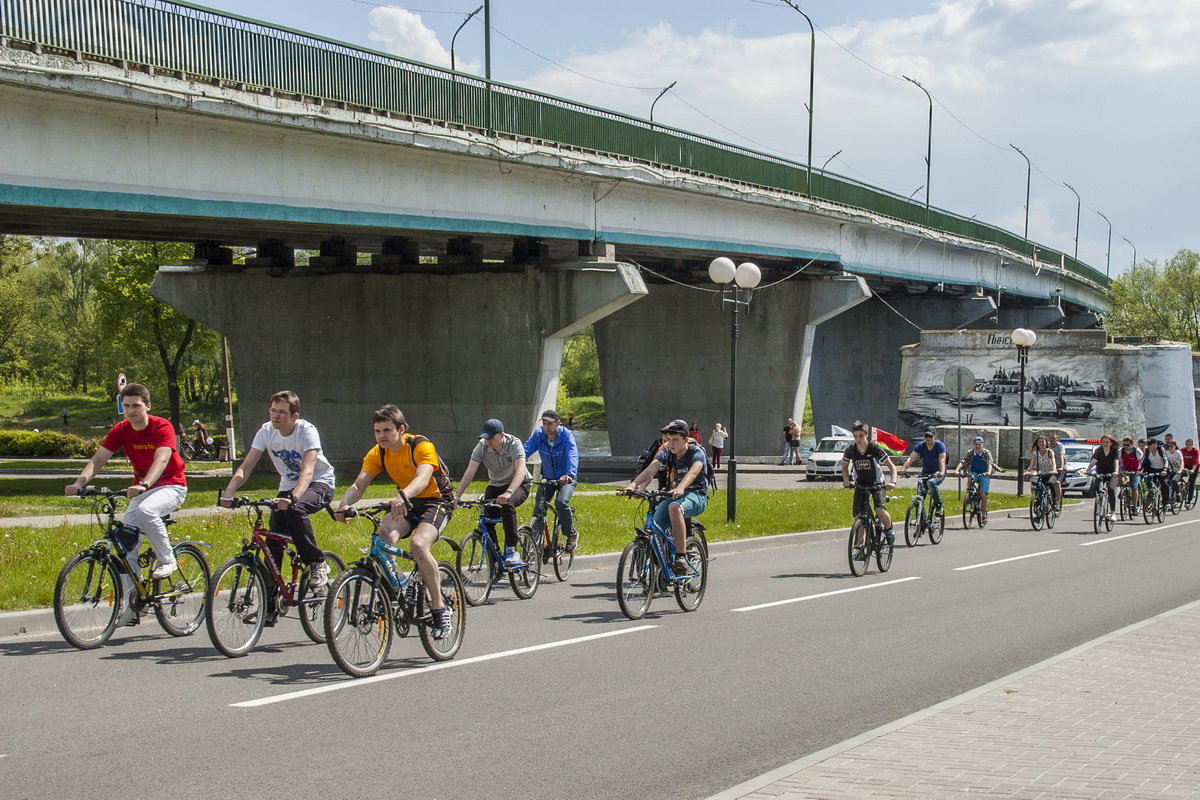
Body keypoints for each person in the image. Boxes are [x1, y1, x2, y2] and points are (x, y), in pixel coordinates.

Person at [65, 383, 188, 623]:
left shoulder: (161, 426)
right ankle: (134, 605)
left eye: (136, 406)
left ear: (147, 406)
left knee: (145, 510)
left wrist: (144, 484)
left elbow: (162, 458)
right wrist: (78, 483)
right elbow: (99, 459)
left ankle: (167, 559)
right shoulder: (121, 429)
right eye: (126, 406)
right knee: (126, 547)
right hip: (142, 489)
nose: (130, 411)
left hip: (171, 485)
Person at [333, 405, 455, 639]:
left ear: (401, 429)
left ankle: (440, 609)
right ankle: (398, 583)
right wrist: (343, 505)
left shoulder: (420, 446)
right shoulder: (378, 453)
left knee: (419, 545)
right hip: (407, 501)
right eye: (377, 431)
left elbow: (422, 478)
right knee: (385, 533)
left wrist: (402, 495)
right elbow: (359, 484)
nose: (381, 436)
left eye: (387, 430)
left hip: (436, 501)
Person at [219, 391, 336, 589]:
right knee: (273, 538)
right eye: (273, 410)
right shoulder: (266, 431)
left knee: (295, 509)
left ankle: (317, 562)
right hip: (288, 486)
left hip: (319, 483)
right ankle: (271, 601)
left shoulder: (306, 431)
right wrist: (229, 492)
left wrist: (293, 498)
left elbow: (307, 472)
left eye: (282, 412)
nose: (275, 416)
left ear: (294, 416)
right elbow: (246, 467)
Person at [625, 419, 709, 575]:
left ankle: (681, 556)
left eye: (676, 439)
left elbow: (694, 471)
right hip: (674, 495)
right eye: (669, 440)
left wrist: (681, 487)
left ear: (686, 439)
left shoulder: (696, 451)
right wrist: (633, 485)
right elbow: (651, 469)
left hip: (696, 494)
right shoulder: (666, 452)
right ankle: (659, 573)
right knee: (653, 530)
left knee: (674, 507)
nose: (671, 443)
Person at [454, 418, 532, 567]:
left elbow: (521, 470)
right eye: (486, 438)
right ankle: (495, 556)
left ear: (501, 435)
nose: (488, 442)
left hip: (518, 483)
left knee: (507, 505)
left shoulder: (514, 443)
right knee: (486, 517)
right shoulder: (482, 446)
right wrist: (458, 495)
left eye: (491, 438)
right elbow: (470, 471)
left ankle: (511, 549)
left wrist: (509, 492)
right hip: (496, 485)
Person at [524, 409, 580, 550]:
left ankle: (571, 533)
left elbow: (572, 455)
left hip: (566, 478)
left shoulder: (566, 435)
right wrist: (515, 460)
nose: (547, 427)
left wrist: (569, 474)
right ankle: (535, 543)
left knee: (560, 503)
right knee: (539, 509)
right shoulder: (539, 435)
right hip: (548, 478)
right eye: (544, 423)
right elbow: (525, 451)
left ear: (557, 423)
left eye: (549, 424)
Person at [841, 421, 896, 560]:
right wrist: (846, 480)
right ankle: (860, 547)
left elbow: (891, 466)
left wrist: (892, 482)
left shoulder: (874, 449)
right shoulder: (851, 450)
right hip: (860, 484)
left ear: (866, 435)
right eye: (855, 436)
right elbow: (844, 467)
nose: (858, 439)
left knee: (879, 509)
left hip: (877, 484)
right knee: (859, 516)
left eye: (860, 436)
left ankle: (889, 530)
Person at [900, 427, 947, 510]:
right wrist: (903, 469)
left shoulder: (939, 445)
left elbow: (942, 460)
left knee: (931, 482)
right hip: (925, 473)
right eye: (926, 436)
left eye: (930, 436)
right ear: (923, 436)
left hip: (938, 473)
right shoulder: (921, 445)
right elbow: (911, 458)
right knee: (920, 496)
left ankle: (939, 505)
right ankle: (920, 517)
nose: (928, 438)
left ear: (935, 436)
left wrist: (942, 472)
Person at [955, 435, 995, 525]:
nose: (978, 446)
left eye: (979, 444)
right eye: (976, 444)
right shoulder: (970, 452)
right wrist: (957, 470)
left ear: (983, 444)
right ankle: (969, 494)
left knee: (982, 493)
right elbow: (963, 461)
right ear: (974, 444)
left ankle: (984, 515)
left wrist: (988, 472)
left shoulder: (986, 453)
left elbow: (990, 463)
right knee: (970, 477)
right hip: (974, 472)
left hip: (984, 474)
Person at [1028, 435, 1062, 510]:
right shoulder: (1035, 453)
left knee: (1051, 484)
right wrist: (1027, 471)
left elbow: (1053, 462)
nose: (1041, 443)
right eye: (1039, 442)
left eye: (1043, 442)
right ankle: (1037, 507)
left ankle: (1055, 501)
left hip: (1049, 473)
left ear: (1046, 443)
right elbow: (1031, 465)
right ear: (1037, 443)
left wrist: (1054, 470)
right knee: (1037, 487)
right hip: (1040, 473)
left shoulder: (1050, 452)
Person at [1141, 438, 1169, 503]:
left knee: (1164, 484)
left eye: (1149, 445)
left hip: (1162, 470)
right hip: (1152, 469)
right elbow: (1144, 461)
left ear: (1155, 445)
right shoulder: (1147, 451)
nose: (1148, 446)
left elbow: (1166, 460)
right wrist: (1141, 470)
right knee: (1148, 482)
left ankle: (1165, 502)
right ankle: (1149, 499)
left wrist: (1165, 470)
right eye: (1147, 445)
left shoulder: (1160, 449)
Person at [1118, 436, 1143, 510]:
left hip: (1135, 469)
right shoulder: (1121, 451)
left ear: (1131, 444)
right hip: (1126, 467)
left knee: (1134, 487)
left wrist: (1139, 470)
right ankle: (1123, 489)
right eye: (1124, 445)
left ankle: (1135, 507)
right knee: (1120, 475)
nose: (1125, 447)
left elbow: (1141, 461)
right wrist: (1120, 470)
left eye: (1127, 445)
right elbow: (1119, 461)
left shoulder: (1137, 451)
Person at [1047, 432, 1067, 508]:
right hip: (1050, 468)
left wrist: (1061, 467)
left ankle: (1057, 502)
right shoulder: (1047, 446)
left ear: (1057, 439)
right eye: (1051, 438)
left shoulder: (1060, 446)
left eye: (1053, 438)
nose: (1052, 440)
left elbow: (1061, 457)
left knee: (1057, 482)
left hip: (1059, 467)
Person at [1181, 438, 1199, 503]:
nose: (1188, 446)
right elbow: (1181, 459)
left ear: (1192, 445)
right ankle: (1181, 489)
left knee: (1191, 483)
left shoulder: (1195, 451)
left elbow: (1196, 461)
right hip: (1186, 465)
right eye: (1187, 444)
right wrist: (1181, 468)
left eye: (1189, 444)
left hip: (1194, 466)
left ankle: (1189, 500)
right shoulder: (1183, 450)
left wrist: (1193, 470)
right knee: (1179, 477)